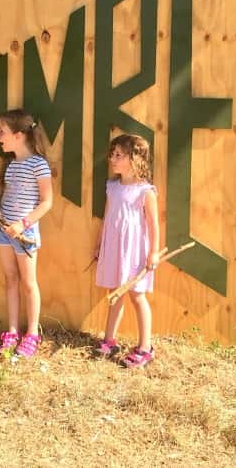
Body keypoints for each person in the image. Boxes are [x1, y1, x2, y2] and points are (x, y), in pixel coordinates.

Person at [93, 133, 160, 368]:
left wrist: (153, 253)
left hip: (133, 252)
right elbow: (107, 217)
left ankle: (145, 347)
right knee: (115, 293)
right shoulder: (112, 187)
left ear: (135, 159)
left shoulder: (145, 191)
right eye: (112, 154)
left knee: (137, 296)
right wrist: (100, 244)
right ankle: (109, 339)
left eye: (118, 155)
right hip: (114, 248)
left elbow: (153, 224)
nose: (112, 158)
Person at [0, 109, 53, 358]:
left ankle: (32, 335)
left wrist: (23, 224)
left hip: (24, 234)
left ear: (18, 136)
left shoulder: (38, 164)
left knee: (28, 283)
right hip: (3, 231)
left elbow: (47, 202)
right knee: (10, 279)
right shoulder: (10, 164)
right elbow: (0, 195)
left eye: (2, 132)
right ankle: (13, 331)